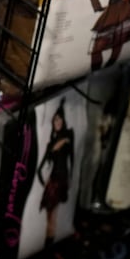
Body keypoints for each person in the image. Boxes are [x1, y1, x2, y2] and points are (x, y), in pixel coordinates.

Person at [35, 102, 75, 242]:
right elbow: (39, 169)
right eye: (54, 120)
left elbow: (72, 158)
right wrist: (43, 182)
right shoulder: (52, 143)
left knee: (52, 217)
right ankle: (48, 244)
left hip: (61, 180)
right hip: (53, 182)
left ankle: (49, 245)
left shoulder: (69, 135)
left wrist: (70, 178)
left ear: (63, 120)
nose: (56, 122)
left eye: (59, 119)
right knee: (49, 217)